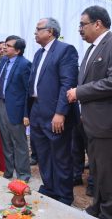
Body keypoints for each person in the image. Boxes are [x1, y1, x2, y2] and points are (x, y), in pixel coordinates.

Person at [67, 5, 112, 218]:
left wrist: (79, 92)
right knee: (98, 172)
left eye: (82, 24)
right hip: (93, 124)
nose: (79, 29)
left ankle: (111, 214)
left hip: (110, 125)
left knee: (111, 176)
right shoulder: (91, 48)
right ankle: (98, 208)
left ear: (98, 23)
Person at [28, 17, 78, 205]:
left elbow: (68, 83)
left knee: (61, 156)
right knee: (43, 154)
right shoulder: (38, 54)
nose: (35, 32)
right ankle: (50, 188)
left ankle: (64, 196)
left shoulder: (66, 50)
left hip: (55, 113)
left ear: (50, 31)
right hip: (37, 110)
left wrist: (60, 113)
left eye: (38, 29)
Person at [0, 35, 31, 182]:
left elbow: (28, 92)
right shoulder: (3, 61)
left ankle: (23, 175)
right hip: (2, 105)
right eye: (4, 44)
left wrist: (26, 114)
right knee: (5, 141)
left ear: (17, 51)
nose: (4, 47)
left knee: (19, 143)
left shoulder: (25, 64)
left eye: (8, 46)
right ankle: (8, 171)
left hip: (16, 109)